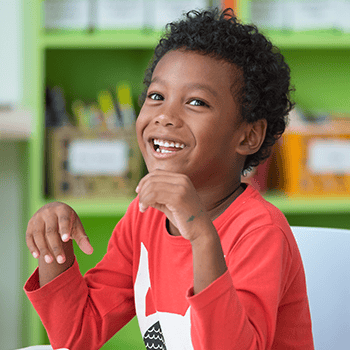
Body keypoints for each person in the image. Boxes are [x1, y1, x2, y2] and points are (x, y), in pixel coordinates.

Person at [24, 8, 314, 350]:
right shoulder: (144, 216)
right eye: (156, 96)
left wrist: (201, 235)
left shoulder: (260, 230)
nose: (164, 116)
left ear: (248, 136)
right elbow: (78, 334)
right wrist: (53, 247)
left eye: (196, 102)